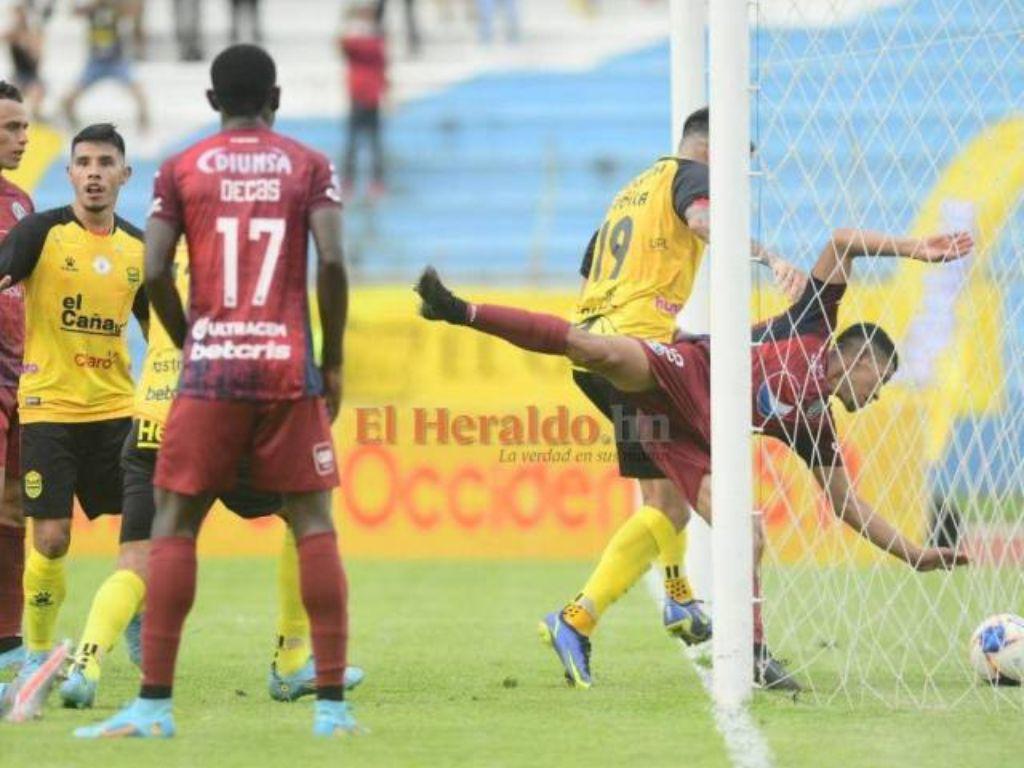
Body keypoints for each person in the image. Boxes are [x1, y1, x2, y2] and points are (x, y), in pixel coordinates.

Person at [412, 225, 972, 688]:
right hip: (686, 372)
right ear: (861, 355)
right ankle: (461, 310)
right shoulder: (815, 321)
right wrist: (915, 250)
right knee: (592, 349)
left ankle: (741, 650)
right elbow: (843, 241)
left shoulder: (814, 424)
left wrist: (915, 554)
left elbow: (846, 504)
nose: (876, 396)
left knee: (729, 527)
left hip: (688, 436)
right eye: (882, 379)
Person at [76, 44, 355, 739]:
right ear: (277, 99)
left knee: (172, 528)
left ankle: (154, 706)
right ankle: (329, 707)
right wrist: (335, 358)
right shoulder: (308, 165)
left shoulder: (181, 167)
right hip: (287, 366)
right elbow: (335, 262)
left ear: (210, 102)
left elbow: (157, 271)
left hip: (212, 370)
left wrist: (192, 338)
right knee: (312, 521)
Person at [558, 106, 806, 688]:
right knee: (736, 515)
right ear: (711, 149)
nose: (734, 181)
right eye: (735, 168)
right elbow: (703, 220)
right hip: (639, 359)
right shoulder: (692, 179)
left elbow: (589, 264)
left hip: (602, 349)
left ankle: (637, 605)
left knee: (664, 502)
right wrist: (770, 257)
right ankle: (751, 651)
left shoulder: (632, 191)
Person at [59, 241, 365, 708]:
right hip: (218, 421)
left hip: (152, 421)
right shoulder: (243, 257)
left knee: (138, 561)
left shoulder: (160, 249)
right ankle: (290, 661)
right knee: (304, 514)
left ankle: (86, 663)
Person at [0, 123, 147, 693]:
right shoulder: (41, 232)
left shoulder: (138, 247)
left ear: (123, 175)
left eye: (105, 162)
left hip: (116, 409)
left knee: (139, 533)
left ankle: (131, 605)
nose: (93, 172)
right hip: (49, 408)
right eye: (83, 162)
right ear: (69, 174)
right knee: (52, 538)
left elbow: (164, 333)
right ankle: (37, 657)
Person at [0, 82, 34, 693]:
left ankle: (7, 642)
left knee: (13, 509)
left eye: (25, 127)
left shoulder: (22, 202)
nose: (21, 138)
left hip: (19, 378)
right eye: (9, 126)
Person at [63, 1, 150, 132]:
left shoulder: (117, 8)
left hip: (116, 61)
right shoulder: (92, 9)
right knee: (67, 101)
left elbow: (136, 8)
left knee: (141, 99)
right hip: (95, 63)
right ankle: (75, 130)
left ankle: (144, 132)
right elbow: (75, 12)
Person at [340, 2, 387, 200]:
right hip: (361, 95)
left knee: (369, 142)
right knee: (359, 142)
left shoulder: (371, 40)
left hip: (367, 95)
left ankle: (369, 181)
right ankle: (354, 180)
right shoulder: (369, 40)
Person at [4, 1, 52, 121]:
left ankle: (35, 119)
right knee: (9, 93)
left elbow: (37, 59)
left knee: (36, 92)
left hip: (32, 76)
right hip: (18, 74)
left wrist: (29, 43)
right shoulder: (12, 33)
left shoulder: (34, 34)